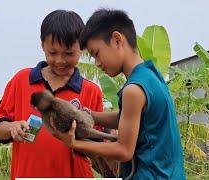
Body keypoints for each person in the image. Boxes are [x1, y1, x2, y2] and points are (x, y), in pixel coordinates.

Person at [50, 9, 186, 179]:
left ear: (117, 40)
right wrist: (90, 115)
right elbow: (127, 117)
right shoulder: (151, 75)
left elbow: (124, 150)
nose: (97, 63)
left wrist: (74, 143)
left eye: (97, 54)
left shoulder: (133, 90)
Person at [0, 10, 103, 179]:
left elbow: (98, 148)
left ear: (82, 48)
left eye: (68, 53)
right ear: (42, 45)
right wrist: (11, 128)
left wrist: (75, 141)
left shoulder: (90, 91)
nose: (60, 60)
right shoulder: (22, 80)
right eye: (53, 53)